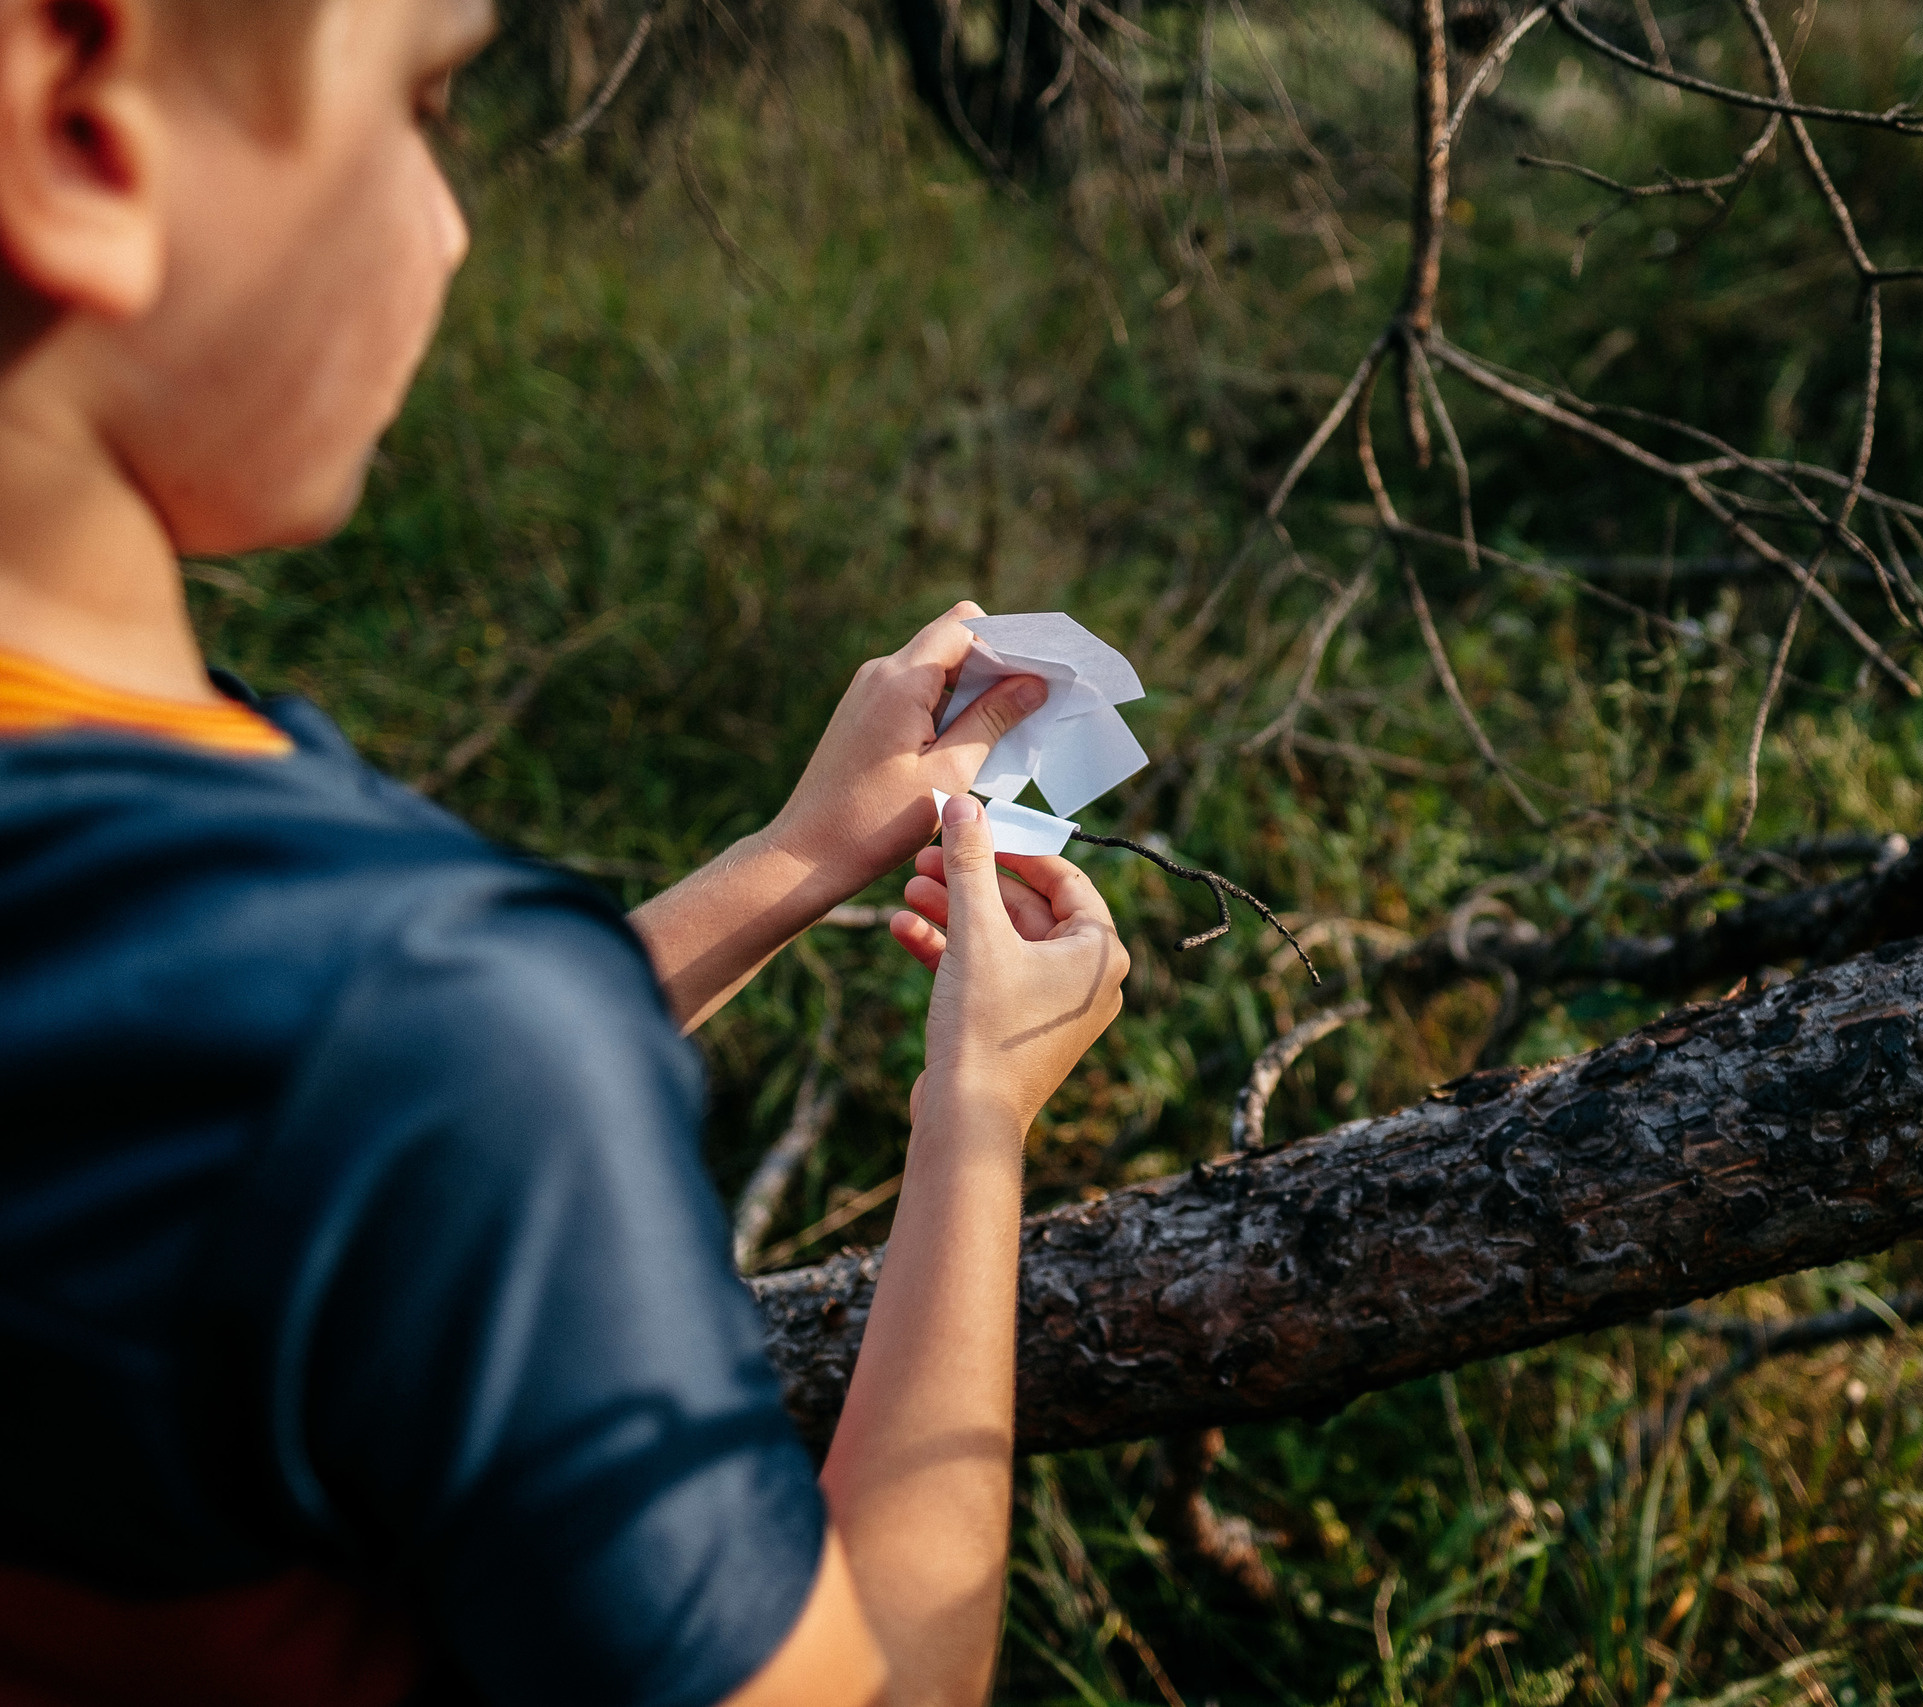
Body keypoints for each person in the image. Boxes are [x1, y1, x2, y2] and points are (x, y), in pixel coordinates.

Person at [0, 1, 1131, 1702]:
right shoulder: (433, 1032)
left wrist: (789, 858)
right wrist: (974, 1123)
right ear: (74, 120)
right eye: (423, 102)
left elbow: (257, 1091)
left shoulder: (237, 951)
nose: (451, 223)